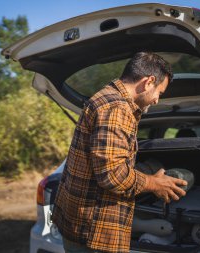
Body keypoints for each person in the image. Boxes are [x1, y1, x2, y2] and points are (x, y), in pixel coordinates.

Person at [52, 52, 188, 253]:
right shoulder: (117, 108)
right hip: (93, 233)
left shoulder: (105, 98)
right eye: (159, 92)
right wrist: (153, 183)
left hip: (80, 226)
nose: (157, 100)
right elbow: (112, 175)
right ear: (148, 82)